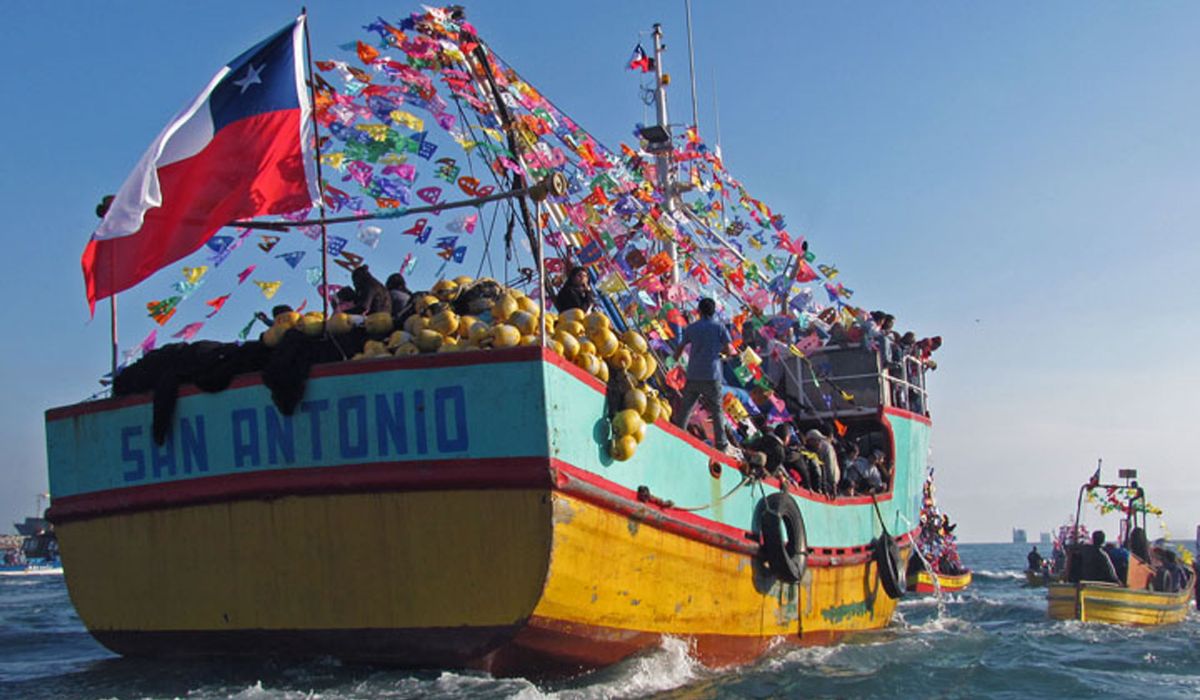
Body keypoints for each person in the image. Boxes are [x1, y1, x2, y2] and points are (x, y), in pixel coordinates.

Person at [672, 298, 736, 453]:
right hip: (712, 375)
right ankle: (721, 444)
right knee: (717, 410)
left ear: (699, 311)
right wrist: (718, 352)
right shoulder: (719, 328)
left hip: (694, 373)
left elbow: (680, 347)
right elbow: (729, 350)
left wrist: (674, 359)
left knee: (686, 408)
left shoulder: (692, 328)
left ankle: (678, 434)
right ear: (713, 312)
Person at [803, 429, 841, 498]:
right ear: (811, 441)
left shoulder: (821, 452)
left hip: (823, 487)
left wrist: (830, 486)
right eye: (818, 440)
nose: (820, 443)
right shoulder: (804, 453)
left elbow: (827, 470)